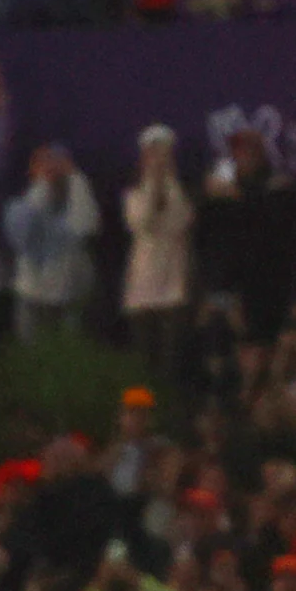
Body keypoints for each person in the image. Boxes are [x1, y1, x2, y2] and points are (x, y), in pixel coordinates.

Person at [119, 122, 195, 390]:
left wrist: (169, 182)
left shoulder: (181, 191)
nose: (159, 160)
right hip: (142, 293)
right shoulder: (133, 193)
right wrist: (153, 182)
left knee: (171, 368)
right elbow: (144, 223)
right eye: (153, 154)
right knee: (144, 369)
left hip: (173, 291)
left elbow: (180, 222)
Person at [2, 143, 101, 341]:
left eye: (54, 161)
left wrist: (74, 176)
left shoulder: (77, 195)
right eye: (42, 161)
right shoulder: (24, 202)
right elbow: (25, 231)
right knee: (32, 359)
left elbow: (86, 226)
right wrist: (44, 182)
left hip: (68, 292)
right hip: (31, 293)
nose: (50, 166)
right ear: (32, 169)